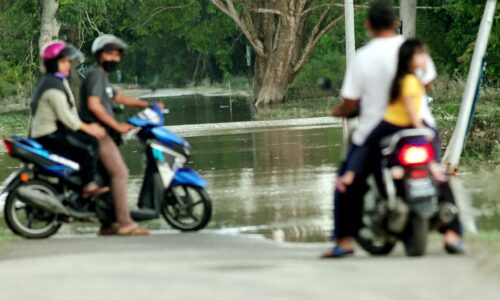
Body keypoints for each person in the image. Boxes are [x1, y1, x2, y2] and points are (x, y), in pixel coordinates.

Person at [322, 1, 463, 258]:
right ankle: (453, 234)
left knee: (348, 180)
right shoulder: (411, 49)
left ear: (367, 25)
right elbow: (428, 80)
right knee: (437, 172)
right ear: (396, 23)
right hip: (420, 127)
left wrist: (339, 110)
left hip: (379, 128)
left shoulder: (363, 57)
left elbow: (351, 101)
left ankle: (343, 242)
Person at [80, 34, 159, 236]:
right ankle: (124, 223)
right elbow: (94, 105)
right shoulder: (95, 75)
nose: (114, 58)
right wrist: (117, 125)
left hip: (103, 133)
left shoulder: (102, 78)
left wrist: (147, 104)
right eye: (109, 54)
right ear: (99, 55)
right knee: (121, 173)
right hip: (98, 134)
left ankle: (108, 224)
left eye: (117, 55)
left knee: (107, 179)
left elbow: (119, 97)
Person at [339, 39, 446, 187]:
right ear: (409, 59)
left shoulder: (405, 79)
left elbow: (410, 110)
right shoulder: (408, 80)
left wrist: (420, 127)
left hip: (393, 122)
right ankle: (435, 167)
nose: (425, 58)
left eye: (424, 54)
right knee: (432, 137)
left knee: (364, 143)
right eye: (421, 55)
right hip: (404, 122)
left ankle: (350, 175)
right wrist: (421, 128)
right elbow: (411, 110)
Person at [30, 40, 108, 198]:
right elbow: (67, 118)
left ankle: (72, 186)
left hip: (51, 133)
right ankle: (88, 186)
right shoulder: (52, 86)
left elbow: (71, 113)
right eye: (64, 61)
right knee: (89, 145)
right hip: (47, 136)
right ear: (53, 63)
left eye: (68, 61)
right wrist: (90, 129)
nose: (68, 65)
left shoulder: (55, 80)